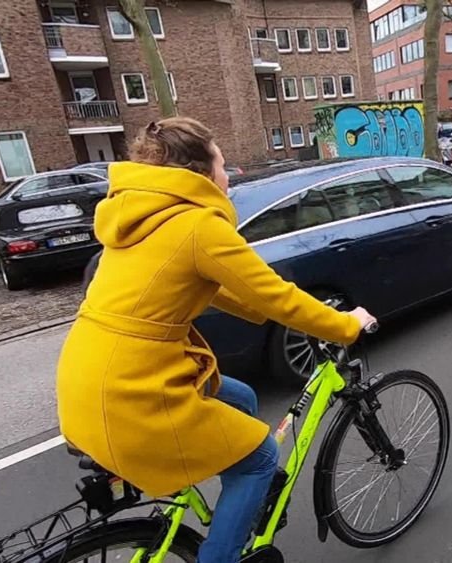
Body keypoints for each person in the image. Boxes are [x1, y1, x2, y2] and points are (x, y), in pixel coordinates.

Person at [56, 117, 376, 563]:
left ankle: (238, 505)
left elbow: (219, 287)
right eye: (223, 164)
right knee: (262, 456)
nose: (229, 176)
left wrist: (260, 309)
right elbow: (276, 295)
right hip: (135, 389)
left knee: (241, 397)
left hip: (86, 376)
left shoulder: (137, 215)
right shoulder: (198, 225)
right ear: (201, 172)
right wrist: (344, 325)